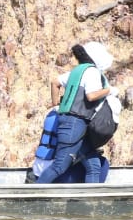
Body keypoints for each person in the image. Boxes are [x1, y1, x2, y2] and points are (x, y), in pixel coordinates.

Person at [35, 41, 116, 184]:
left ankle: (90, 203)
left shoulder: (78, 70)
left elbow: (55, 82)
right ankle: (33, 196)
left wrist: (56, 105)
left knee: (94, 165)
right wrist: (108, 90)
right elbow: (91, 96)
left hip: (74, 124)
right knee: (59, 166)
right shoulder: (92, 72)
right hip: (75, 124)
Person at [25, 107, 110, 184]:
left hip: (37, 170)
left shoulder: (53, 112)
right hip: (57, 177)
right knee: (101, 164)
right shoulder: (72, 121)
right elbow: (79, 149)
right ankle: (88, 198)